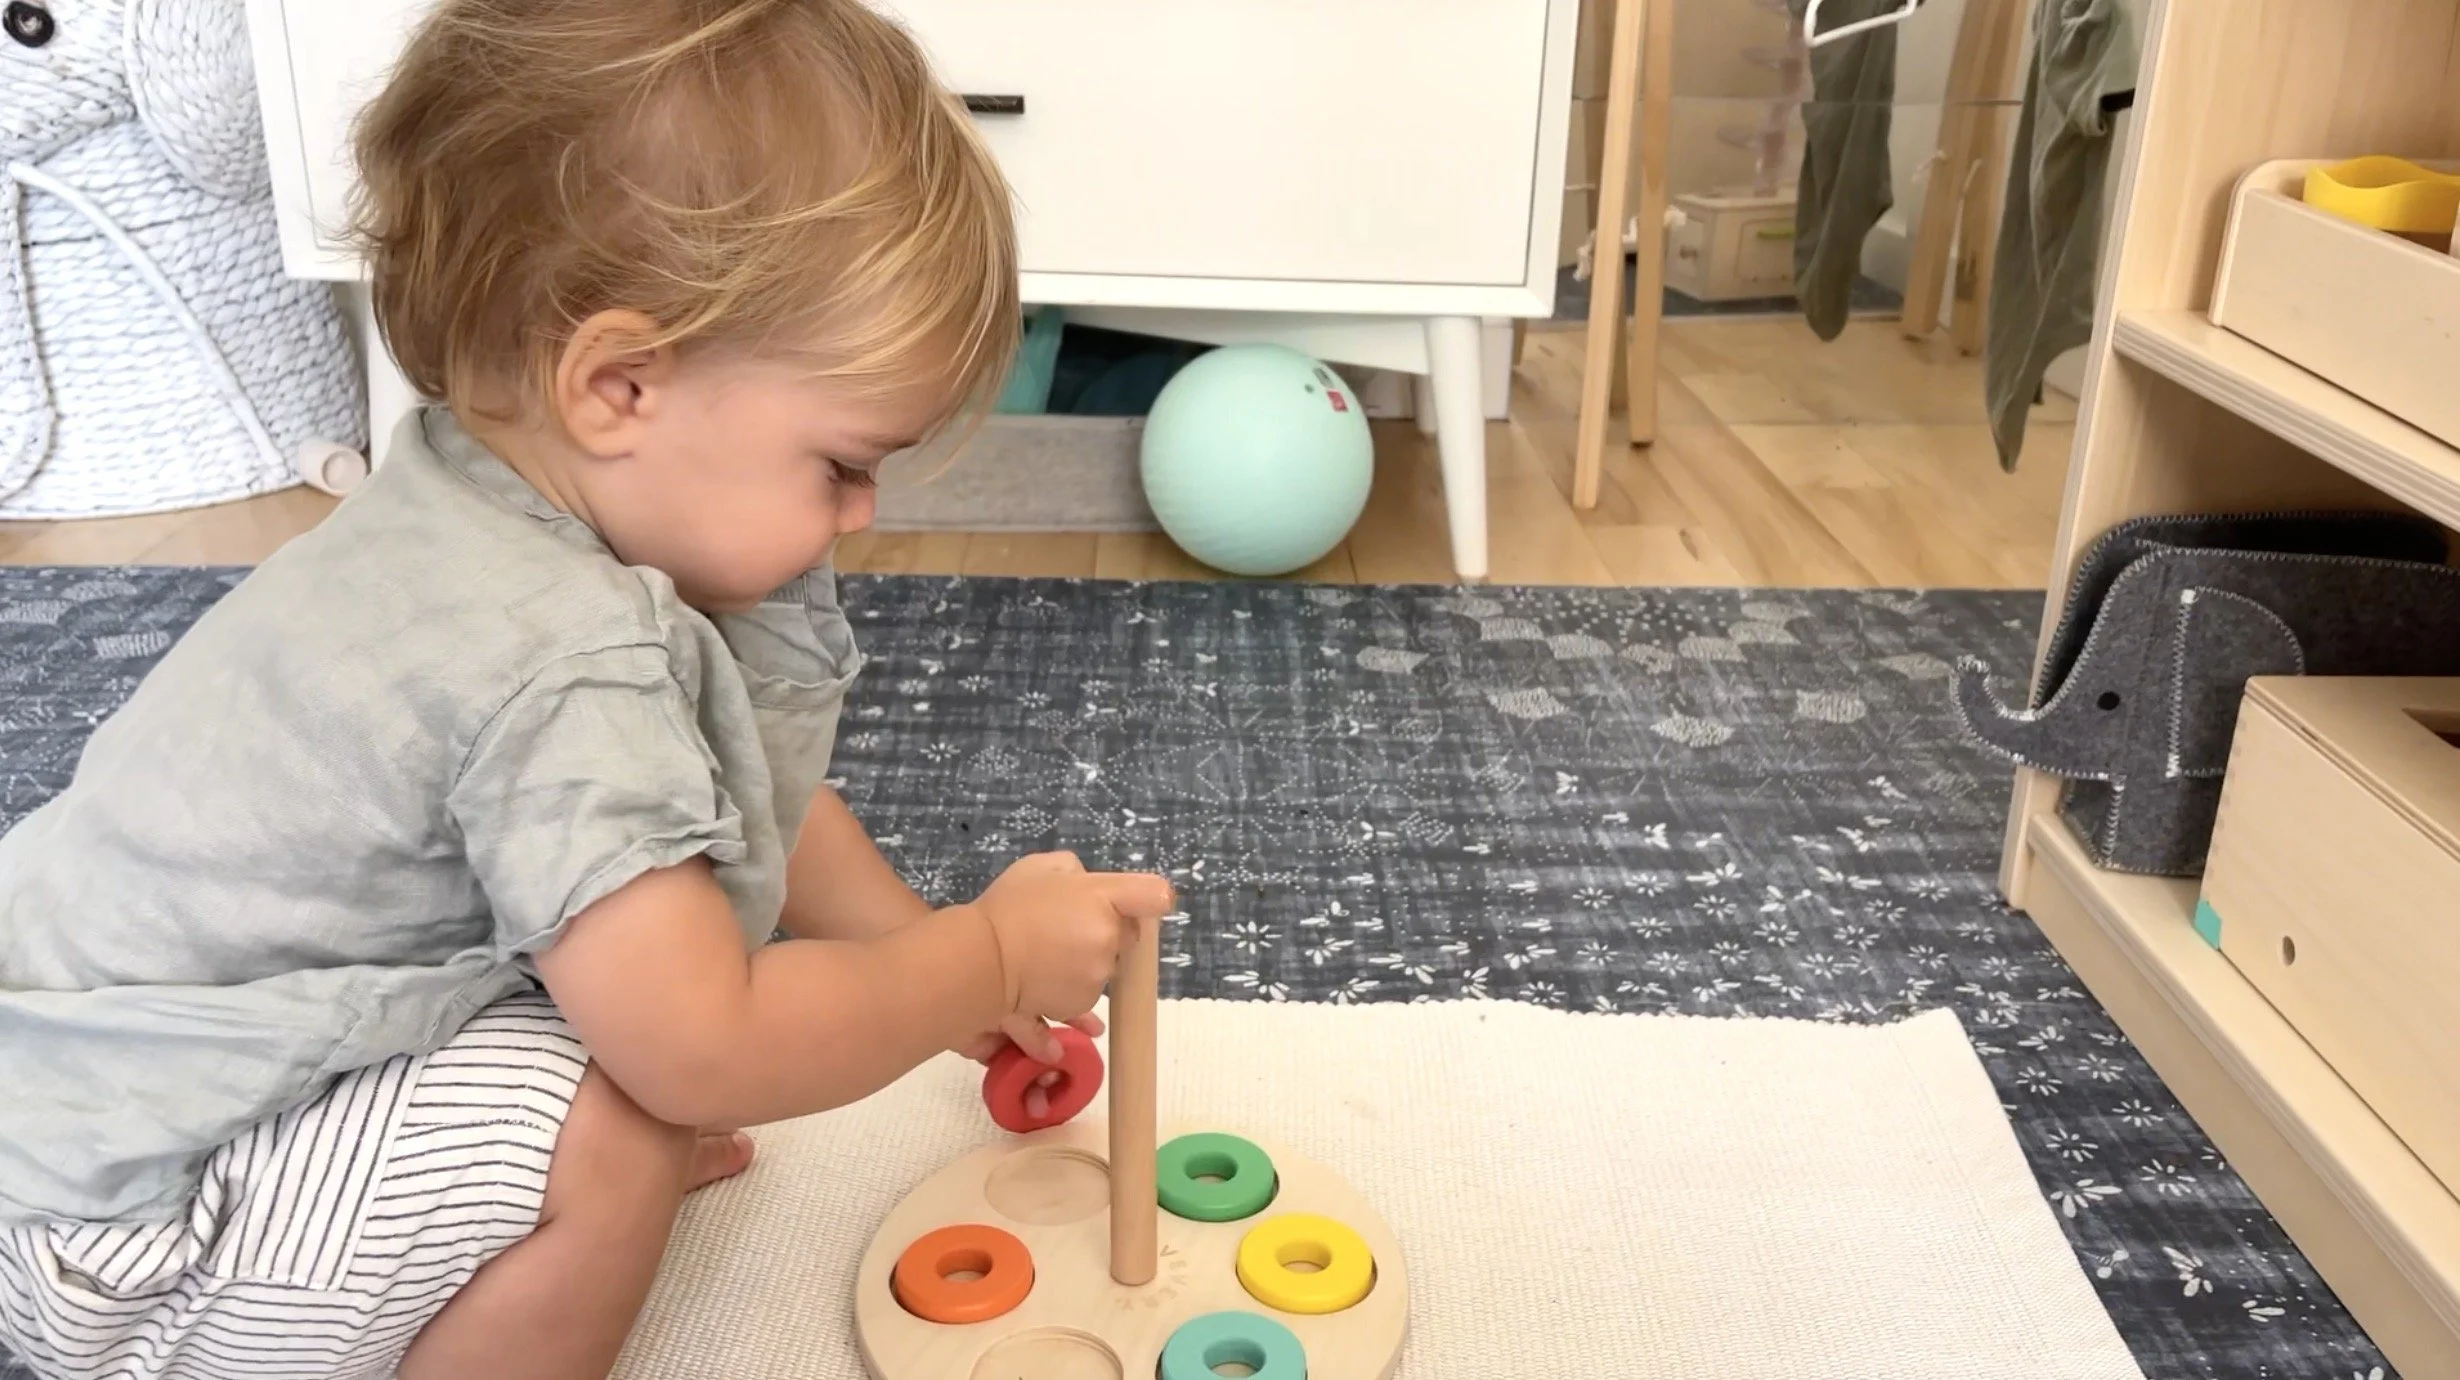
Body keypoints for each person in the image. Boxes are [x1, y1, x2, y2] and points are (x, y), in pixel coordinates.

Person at [0, 2, 1175, 1377]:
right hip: (117, 1218)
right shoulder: (563, 662)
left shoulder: (472, 492)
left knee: (621, 1002)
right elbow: (707, 1052)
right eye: (845, 463)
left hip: (69, 1096)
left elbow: (736, 805)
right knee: (622, 1116)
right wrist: (975, 957)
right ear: (617, 385)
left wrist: (917, 960)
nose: (863, 514)